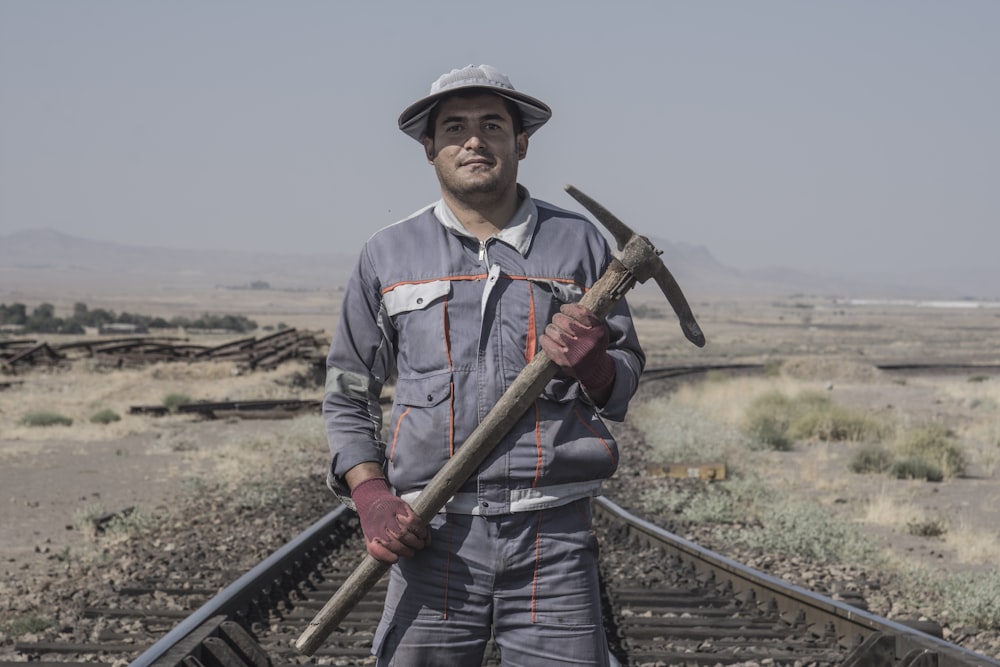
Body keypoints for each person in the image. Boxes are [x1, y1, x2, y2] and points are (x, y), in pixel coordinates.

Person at [323, 64, 645, 666]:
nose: (475, 140)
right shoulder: (387, 253)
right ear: (429, 148)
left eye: (493, 125)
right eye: (455, 127)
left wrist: (596, 366)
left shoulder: (580, 244)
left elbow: (625, 375)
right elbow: (348, 390)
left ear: (520, 142)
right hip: (432, 535)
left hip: (554, 538)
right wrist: (369, 495)